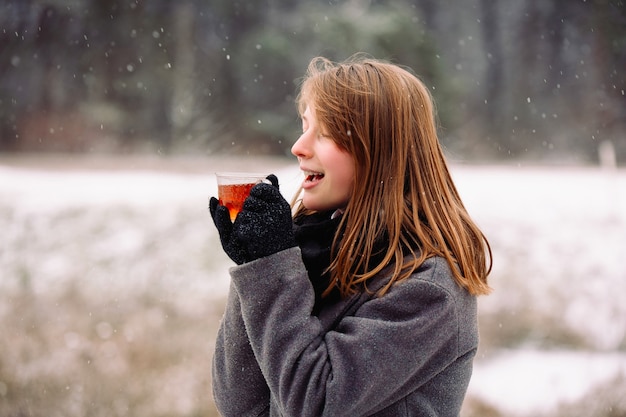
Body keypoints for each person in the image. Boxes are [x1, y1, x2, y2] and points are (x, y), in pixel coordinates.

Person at [209, 55, 492, 417]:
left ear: (379, 151)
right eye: (305, 125)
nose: (299, 146)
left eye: (324, 132)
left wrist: (271, 268)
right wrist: (256, 264)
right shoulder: (316, 252)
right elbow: (240, 405)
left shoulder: (428, 288)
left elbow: (316, 404)